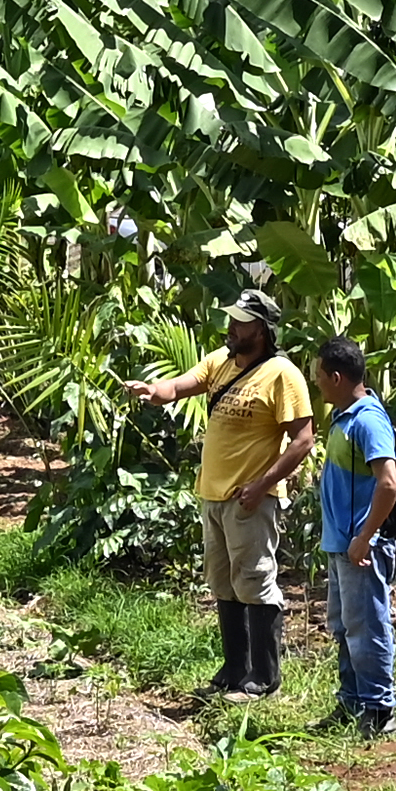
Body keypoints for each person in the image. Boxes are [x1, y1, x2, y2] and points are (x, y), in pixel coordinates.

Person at [127, 287, 313, 699]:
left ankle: (264, 677)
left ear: (261, 330)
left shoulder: (282, 374)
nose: (231, 327)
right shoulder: (220, 361)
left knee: (255, 582)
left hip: (251, 498)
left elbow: (303, 440)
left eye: (241, 321)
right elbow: (180, 386)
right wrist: (153, 391)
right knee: (224, 584)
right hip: (213, 496)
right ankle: (233, 670)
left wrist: (263, 484)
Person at [310, 329, 396, 732]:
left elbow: (390, 483)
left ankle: (378, 710)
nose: (315, 381)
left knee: (367, 626)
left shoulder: (368, 421)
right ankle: (352, 703)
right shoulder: (343, 417)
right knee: (346, 627)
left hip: (360, 545)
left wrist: (364, 537)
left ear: (336, 378)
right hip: (343, 543)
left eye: (319, 374)